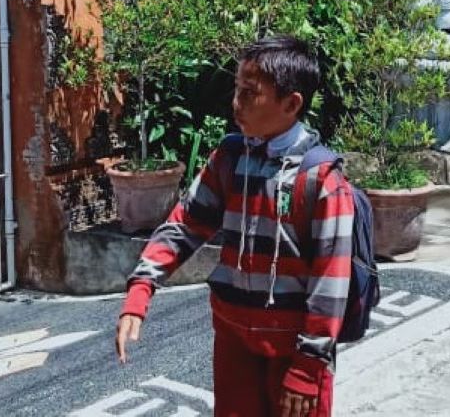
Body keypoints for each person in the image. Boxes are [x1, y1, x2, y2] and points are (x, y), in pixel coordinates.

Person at [116, 36, 355, 417]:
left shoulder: (321, 179)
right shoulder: (229, 157)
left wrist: (309, 367)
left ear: (291, 104)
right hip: (234, 343)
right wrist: (140, 290)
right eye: (237, 90)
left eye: (250, 93)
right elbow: (185, 225)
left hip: (293, 355)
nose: (236, 103)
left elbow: (331, 281)